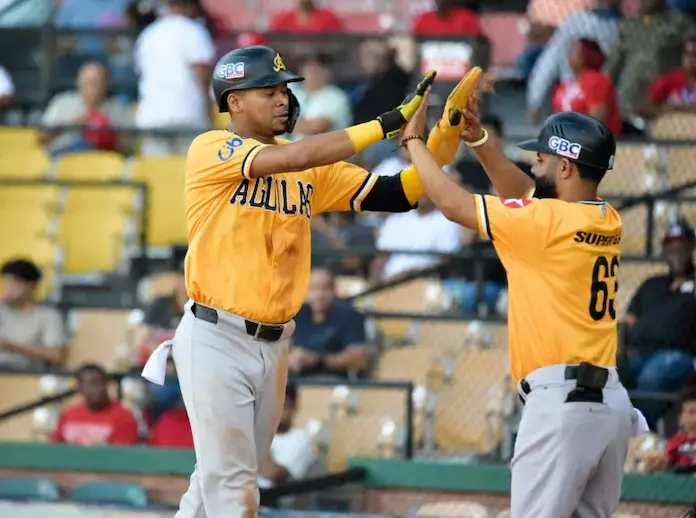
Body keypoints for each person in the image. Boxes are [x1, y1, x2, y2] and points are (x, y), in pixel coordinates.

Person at [140, 44, 450, 518]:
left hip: (275, 344)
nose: (283, 98)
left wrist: (445, 134)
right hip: (216, 337)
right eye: (269, 90)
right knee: (236, 487)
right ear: (234, 101)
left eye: (284, 90)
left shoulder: (305, 165)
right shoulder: (211, 148)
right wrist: (383, 125)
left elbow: (400, 193)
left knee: (217, 480)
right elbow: (295, 156)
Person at [401, 85, 645, 517]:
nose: (534, 165)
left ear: (566, 167)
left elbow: (454, 204)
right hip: (609, 407)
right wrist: (479, 141)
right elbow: (527, 194)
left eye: (542, 159)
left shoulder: (543, 222)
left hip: (561, 405)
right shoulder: (604, 216)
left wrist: (415, 143)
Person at [624, 220, 696, 428]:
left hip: (679, 355)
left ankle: (639, 431)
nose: (677, 253)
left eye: (683, 247)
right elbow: (629, 319)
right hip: (640, 352)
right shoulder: (651, 284)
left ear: (691, 250)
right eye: (672, 248)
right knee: (616, 372)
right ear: (664, 252)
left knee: (652, 375)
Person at [291, 268, 370, 377]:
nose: (319, 295)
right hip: (299, 381)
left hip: (337, 382)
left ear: (334, 290)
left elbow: (360, 359)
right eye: (313, 289)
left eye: (325, 288)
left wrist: (316, 360)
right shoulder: (296, 315)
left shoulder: (350, 315)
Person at [0, 259, 67, 369]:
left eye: (14, 283)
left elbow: (56, 355)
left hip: (28, 374)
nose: (9, 289)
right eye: (6, 283)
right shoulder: (2, 310)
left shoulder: (48, 315)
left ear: (31, 285)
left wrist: (12, 346)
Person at [51, 364, 139, 446]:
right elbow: (56, 447)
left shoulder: (123, 416)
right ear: (80, 389)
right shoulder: (69, 414)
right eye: (92, 384)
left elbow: (122, 453)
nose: (99, 389)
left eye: (103, 383)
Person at [640, 34, 696, 118]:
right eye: (687, 54)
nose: (690, 60)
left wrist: (683, 108)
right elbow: (645, 107)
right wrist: (667, 110)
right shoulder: (668, 79)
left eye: (695, 56)